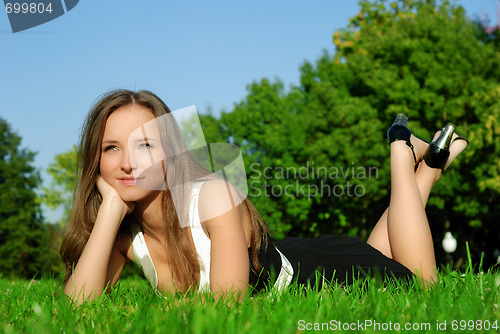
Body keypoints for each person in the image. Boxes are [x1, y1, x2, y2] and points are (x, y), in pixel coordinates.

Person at [61, 90, 468, 303]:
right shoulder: (123, 233)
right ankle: (431, 160)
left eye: (144, 145)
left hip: (324, 278)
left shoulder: (213, 195)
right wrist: (111, 212)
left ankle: (403, 152)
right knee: (380, 250)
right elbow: (78, 306)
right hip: (299, 256)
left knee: (422, 286)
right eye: (111, 147)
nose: (127, 162)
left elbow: (226, 305)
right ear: (95, 158)